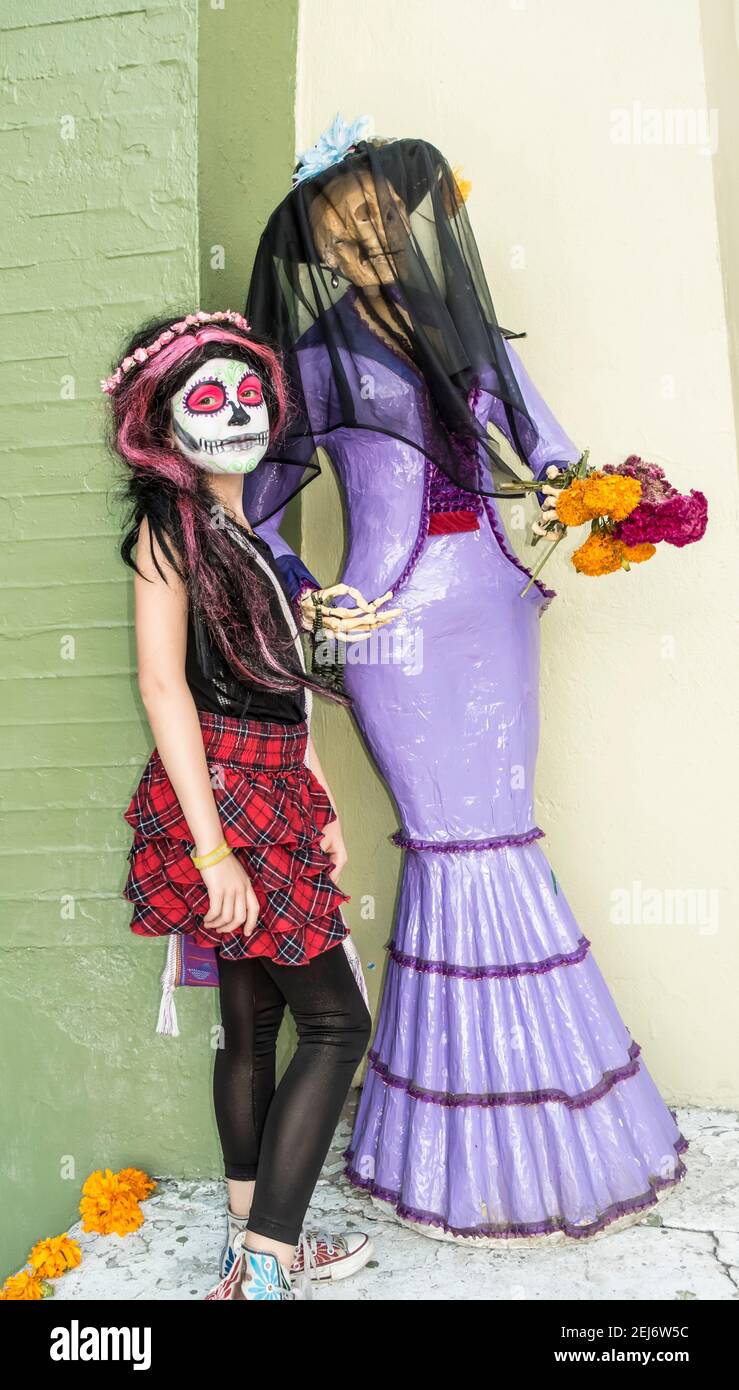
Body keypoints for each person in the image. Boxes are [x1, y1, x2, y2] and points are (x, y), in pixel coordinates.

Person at [244, 128, 688, 1245]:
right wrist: (303, 585)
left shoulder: (469, 330)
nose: (369, 240)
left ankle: (550, 1126)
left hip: (494, 611)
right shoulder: (307, 362)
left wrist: (602, 499)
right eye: (342, 230)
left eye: (381, 218)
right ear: (319, 250)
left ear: (408, 220)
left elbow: (548, 450)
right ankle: (453, 1146)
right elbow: (253, 509)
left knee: (506, 833)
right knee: (450, 849)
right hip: (393, 627)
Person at [103, 310, 390, 1298]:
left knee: (250, 1019)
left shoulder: (236, 526)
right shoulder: (169, 526)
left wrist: (314, 799)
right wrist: (215, 849)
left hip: (265, 785)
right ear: (164, 420)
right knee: (336, 1026)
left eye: (249, 392)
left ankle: (244, 1247)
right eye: (207, 396)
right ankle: (268, 1260)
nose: (236, 411)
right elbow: (160, 685)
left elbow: (272, 684)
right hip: (228, 798)